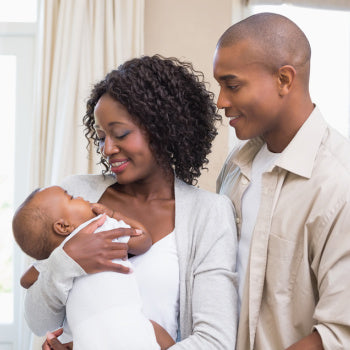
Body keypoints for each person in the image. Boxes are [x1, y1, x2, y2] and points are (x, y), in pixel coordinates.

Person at [24, 55, 238, 349]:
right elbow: (38, 321)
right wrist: (66, 260)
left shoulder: (208, 214)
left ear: (163, 128)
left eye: (120, 133)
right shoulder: (73, 196)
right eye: (100, 137)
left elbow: (216, 341)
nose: (108, 148)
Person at [214, 12, 350, 350]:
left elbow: (338, 335)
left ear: (284, 80)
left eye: (232, 85)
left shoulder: (338, 183)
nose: (221, 102)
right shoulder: (236, 164)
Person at [13, 185, 175, 349]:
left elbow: (25, 280)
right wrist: (112, 214)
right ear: (62, 226)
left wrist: (57, 263)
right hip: (128, 322)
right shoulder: (101, 228)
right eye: (71, 197)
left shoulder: (56, 257)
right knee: (157, 334)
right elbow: (143, 240)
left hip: (87, 337)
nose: (80, 197)